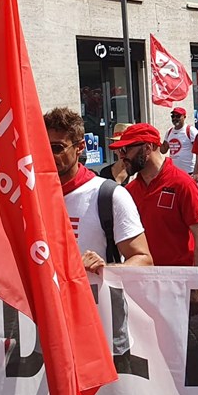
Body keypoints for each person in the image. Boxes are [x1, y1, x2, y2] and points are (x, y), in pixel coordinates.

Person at [44, 108, 152, 274]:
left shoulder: (110, 195)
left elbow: (144, 260)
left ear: (80, 147)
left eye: (58, 148)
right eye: (43, 147)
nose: (49, 154)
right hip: (48, 298)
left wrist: (105, 269)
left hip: (96, 299)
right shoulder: (31, 195)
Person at [111, 123, 198, 267]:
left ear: (147, 148)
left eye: (126, 149)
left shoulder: (182, 183)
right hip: (141, 281)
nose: (121, 156)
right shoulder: (130, 191)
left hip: (177, 281)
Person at [161, 106, 197, 174]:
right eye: (173, 116)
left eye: (178, 116)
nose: (175, 118)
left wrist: (197, 170)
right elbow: (163, 150)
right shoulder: (169, 131)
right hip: (174, 172)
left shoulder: (190, 130)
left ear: (184, 117)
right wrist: (155, 141)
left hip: (189, 172)